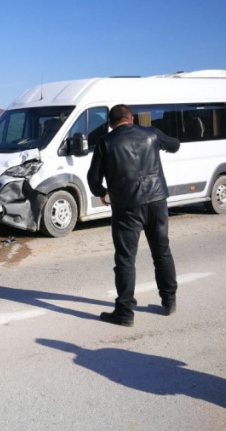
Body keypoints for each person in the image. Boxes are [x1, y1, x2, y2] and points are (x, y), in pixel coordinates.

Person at [87, 104, 180, 327]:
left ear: (110, 123)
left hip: (126, 206)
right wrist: (161, 145)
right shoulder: (150, 133)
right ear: (132, 119)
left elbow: (93, 179)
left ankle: (125, 312)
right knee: (162, 252)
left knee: (126, 259)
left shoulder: (105, 142)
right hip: (157, 201)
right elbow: (175, 145)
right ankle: (169, 301)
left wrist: (102, 193)